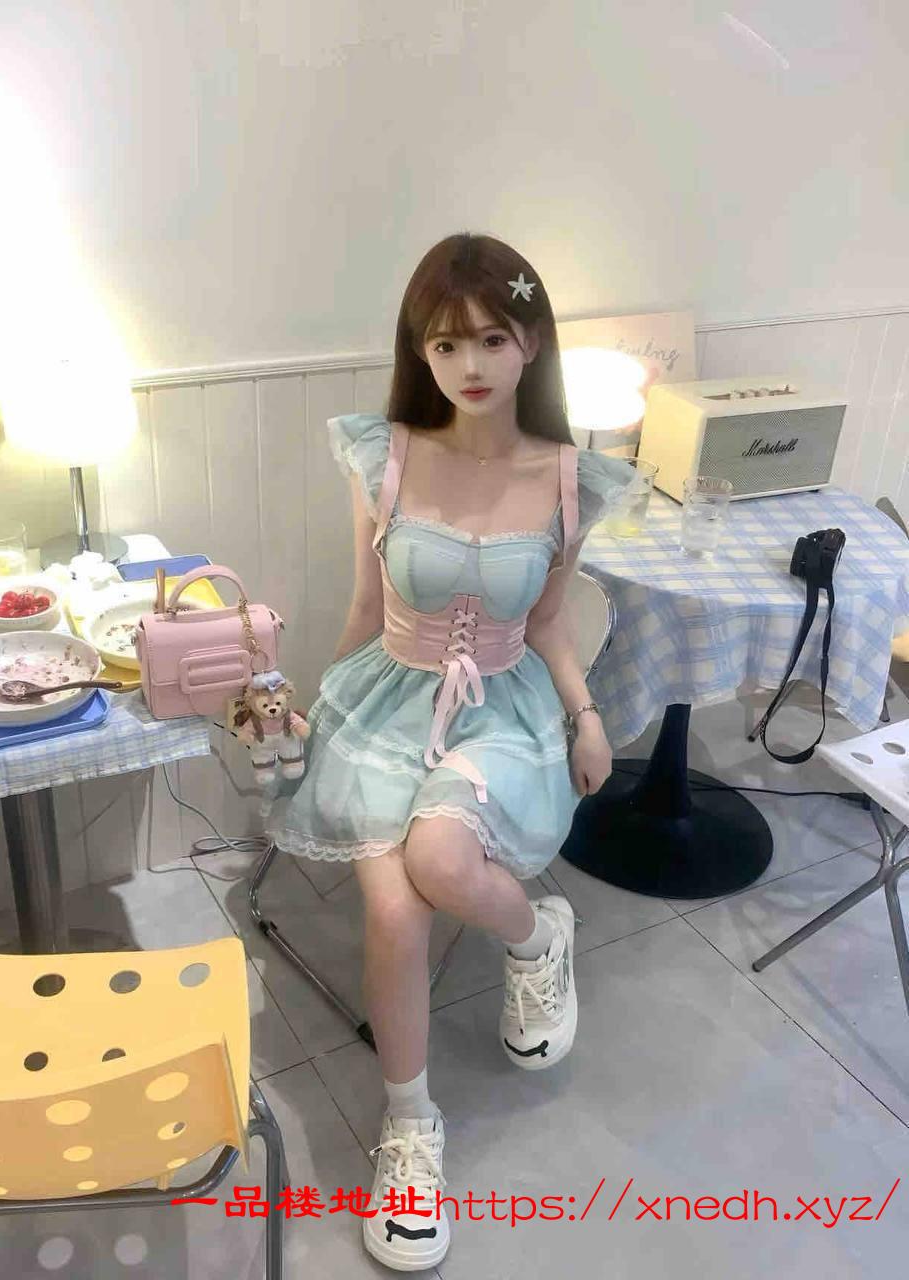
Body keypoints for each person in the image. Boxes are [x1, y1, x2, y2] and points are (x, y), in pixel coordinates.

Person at [265, 232, 634, 1270]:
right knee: (393, 910)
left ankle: (536, 935)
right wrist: (311, 708)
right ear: (418, 352)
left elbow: (549, 618)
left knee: (436, 855)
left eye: (490, 338)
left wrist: (585, 714)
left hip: (502, 710)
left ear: (530, 343)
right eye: (443, 344)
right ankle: (410, 1128)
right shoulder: (381, 454)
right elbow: (363, 605)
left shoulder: (568, 478)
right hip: (387, 699)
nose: (468, 364)